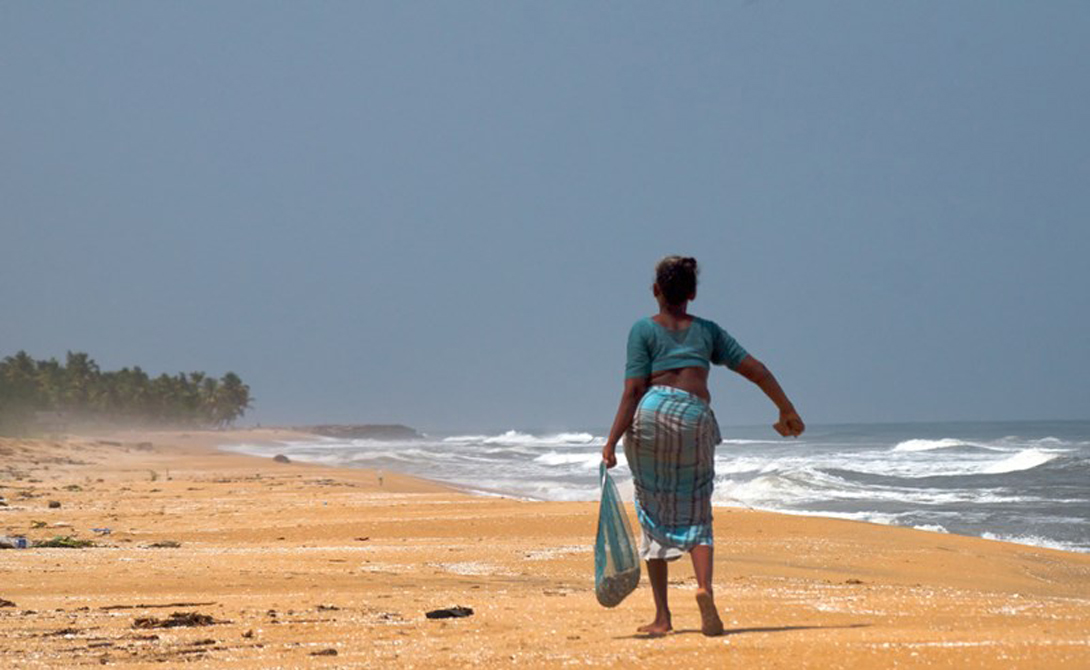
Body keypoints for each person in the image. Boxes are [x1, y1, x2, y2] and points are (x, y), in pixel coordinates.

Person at [601, 256, 804, 637]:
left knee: (651, 506)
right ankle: (704, 588)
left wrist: (611, 441)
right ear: (692, 294)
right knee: (697, 506)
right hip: (694, 417)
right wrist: (786, 408)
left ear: (656, 291)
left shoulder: (642, 330)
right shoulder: (708, 332)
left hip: (651, 412)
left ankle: (662, 617)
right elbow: (755, 369)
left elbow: (632, 390)